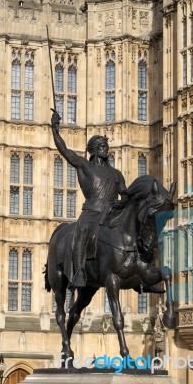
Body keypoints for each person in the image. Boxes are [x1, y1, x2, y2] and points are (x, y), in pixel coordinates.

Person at [51, 110, 128, 287]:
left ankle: (138, 271)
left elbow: (125, 193)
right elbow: (64, 150)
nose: (105, 148)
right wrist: (55, 129)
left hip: (111, 212)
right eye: (101, 145)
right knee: (82, 230)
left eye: (106, 145)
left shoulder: (116, 174)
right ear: (93, 150)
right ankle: (78, 271)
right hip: (92, 211)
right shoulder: (84, 165)